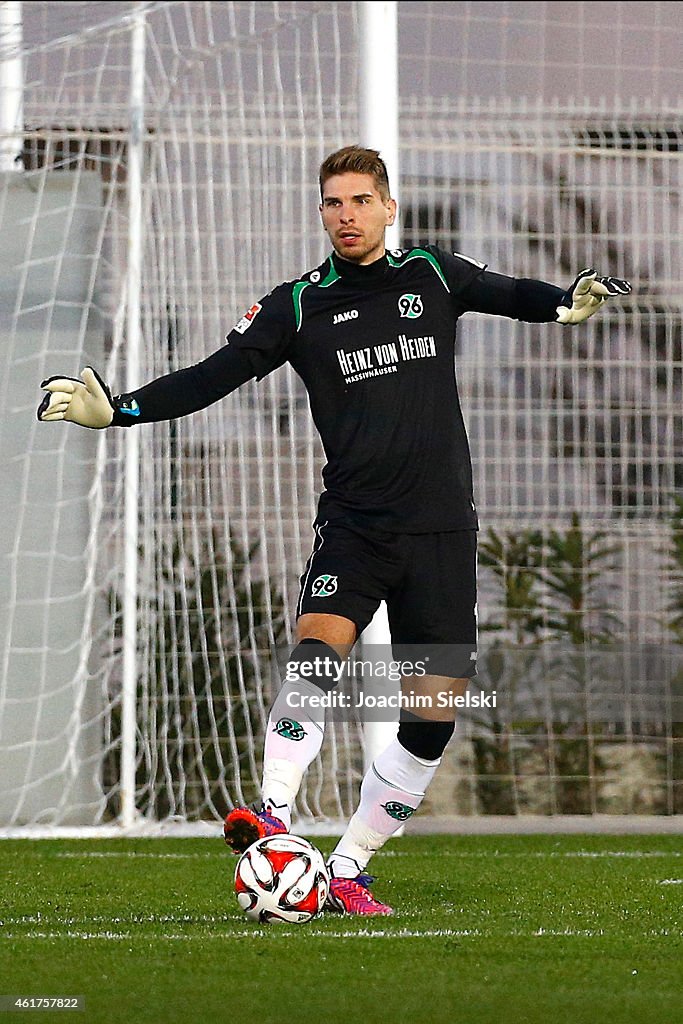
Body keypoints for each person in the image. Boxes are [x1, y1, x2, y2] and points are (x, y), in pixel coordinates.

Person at [37, 145, 631, 915]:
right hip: (355, 525)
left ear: (387, 207)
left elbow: (509, 291)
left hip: (442, 532)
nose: (345, 215)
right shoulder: (297, 304)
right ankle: (274, 813)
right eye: (331, 203)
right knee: (317, 647)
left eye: (358, 200)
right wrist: (119, 409)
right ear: (321, 213)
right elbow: (214, 374)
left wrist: (562, 302)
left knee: (431, 717)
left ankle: (347, 867)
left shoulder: (433, 275)